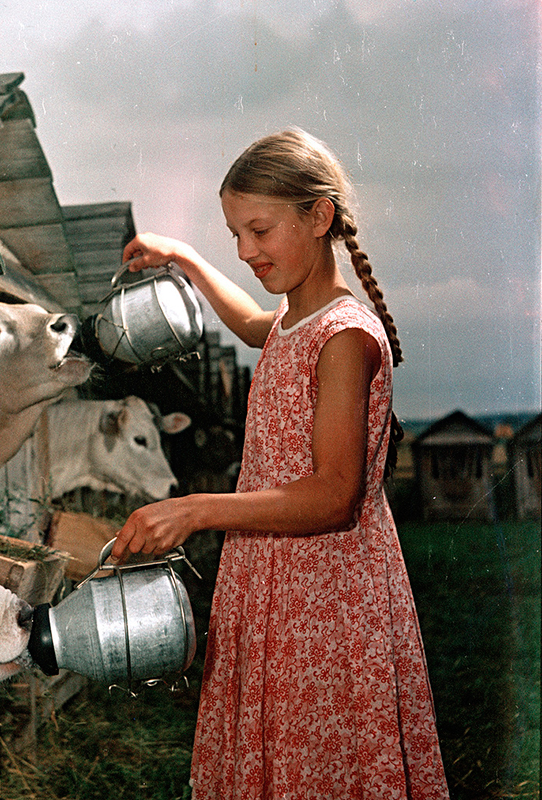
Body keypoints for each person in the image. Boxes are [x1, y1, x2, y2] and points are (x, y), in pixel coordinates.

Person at [112, 128, 449, 799]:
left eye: (259, 230)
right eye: (234, 233)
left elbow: (332, 496)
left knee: (318, 767)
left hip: (327, 600)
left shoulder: (346, 337)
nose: (244, 251)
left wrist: (196, 510)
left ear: (319, 216)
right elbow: (252, 326)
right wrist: (183, 257)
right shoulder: (299, 323)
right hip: (274, 584)